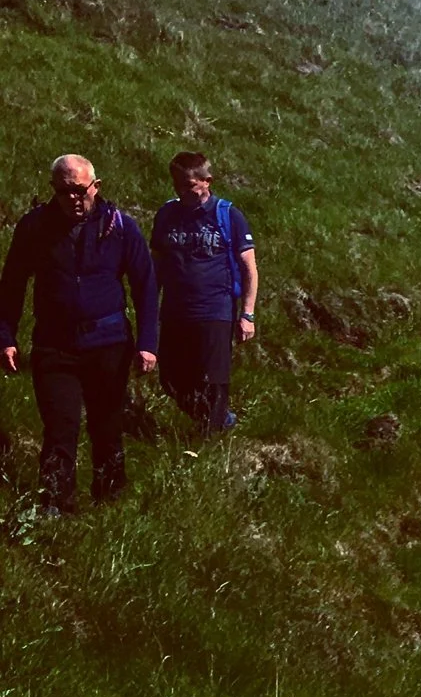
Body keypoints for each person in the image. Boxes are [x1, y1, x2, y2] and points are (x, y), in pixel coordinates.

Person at [0, 155, 159, 512]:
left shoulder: (120, 227)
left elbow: (145, 286)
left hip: (109, 345)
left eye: (79, 191)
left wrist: (148, 343)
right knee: (60, 429)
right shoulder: (35, 228)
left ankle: (110, 504)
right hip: (55, 347)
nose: (73, 199)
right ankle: (55, 507)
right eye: (63, 192)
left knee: (107, 427)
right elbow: (11, 284)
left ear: (95, 187)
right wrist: (6, 335)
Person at [150, 152, 257, 432]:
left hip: (215, 310)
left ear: (207, 181)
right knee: (171, 379)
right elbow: (156, 265)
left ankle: (210, 438)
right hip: (174, 311)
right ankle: (216, 420)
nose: (183, 191)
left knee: (213, 380)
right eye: (177, 185)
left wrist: (247, 314)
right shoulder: (167, 215)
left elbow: (249, 268)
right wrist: (149, 306)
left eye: (189, 185)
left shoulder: (228, 215)